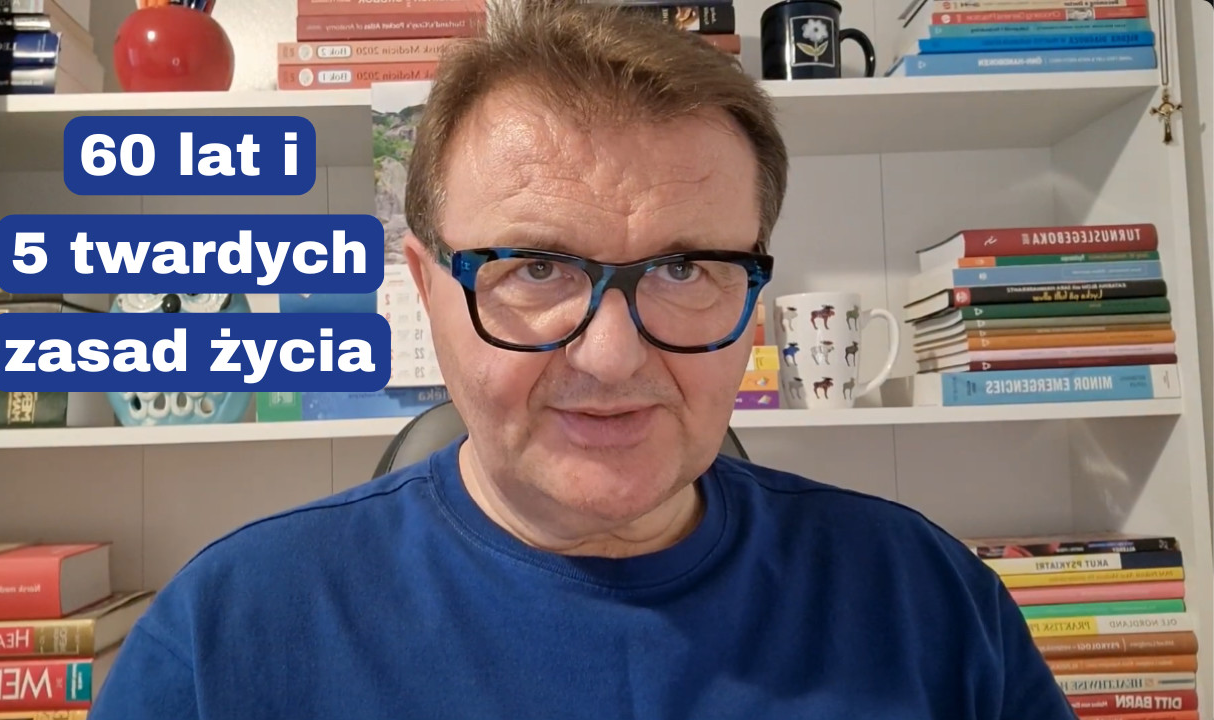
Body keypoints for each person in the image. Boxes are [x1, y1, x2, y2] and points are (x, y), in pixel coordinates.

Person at [88, 1, 1077, 717]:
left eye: (683, 267)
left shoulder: (926, 599)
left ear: (753, 297)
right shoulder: (226, 636)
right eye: (536, 267)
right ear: (427, 292)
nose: (610, 356)